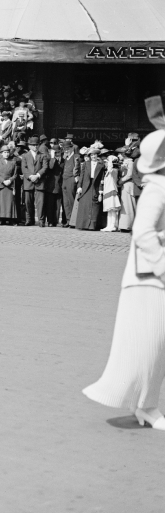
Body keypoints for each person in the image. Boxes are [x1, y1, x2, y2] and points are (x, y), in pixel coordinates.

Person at [83, 125, 165, 430]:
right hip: (149, 277)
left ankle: (146, 404)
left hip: (154, 276)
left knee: (156, 345)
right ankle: (146, 406)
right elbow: (143, 233)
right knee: (152, 344)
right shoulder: (157, 190)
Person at [75, 144, 106, 231]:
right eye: (91, 155)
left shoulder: (101, 165)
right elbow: (81, 176)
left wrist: (100, 191)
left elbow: (102, 179)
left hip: (95, 186)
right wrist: (79, 186)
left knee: (94, 206)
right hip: (86, 186)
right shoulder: (85, 164)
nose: (93, 156)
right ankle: (83, 224)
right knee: (84, 204)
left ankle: (92, 225)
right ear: (89, 156)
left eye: (95, 155)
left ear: (97, 156)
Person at [20, 136, 49, 226]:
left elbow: (45, 167)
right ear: (29, 146)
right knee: (28, 202)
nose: (35, 147)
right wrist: (30, 176)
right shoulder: (25, 156)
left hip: (39, 181)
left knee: (40, 202)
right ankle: (29, 219)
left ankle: (41, 220)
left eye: (36, 145)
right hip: (28, 182)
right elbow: (24, 168)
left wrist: (37, 175)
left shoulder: (43, 155)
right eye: (33, 145)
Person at [0, 144, 19, 225]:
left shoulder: (13, 162)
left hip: (9, 185)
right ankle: (1, 219)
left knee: (9, 202)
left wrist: (10, 180)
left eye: (7, 152)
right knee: (1, 202)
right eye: (4, 152)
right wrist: (3, 181)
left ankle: (10, 219)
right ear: (1, 153)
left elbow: (15, 174)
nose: (6, 154)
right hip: (1, 185)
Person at [62, 138, 81, 226]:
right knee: (66, 202)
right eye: (65, 149)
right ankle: (68, 220)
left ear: (71, 148)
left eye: (67, 148)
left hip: (71, 179)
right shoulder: (65, 157)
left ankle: (74, 220)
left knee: (71, 200)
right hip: (64, 180)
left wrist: (75, 179)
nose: (66, 150)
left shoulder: (75, 157)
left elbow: (77, 169)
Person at [119, 149, 138, 232]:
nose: (118, 156)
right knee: (125, 204)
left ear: (123, 155)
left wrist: (121, 180)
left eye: (119, 154)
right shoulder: (124, 162)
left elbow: (130, 174)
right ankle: (124, 224)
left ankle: (127, 225)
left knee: (128, 204)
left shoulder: (130, 163)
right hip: (124, 184)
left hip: (128, 184)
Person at [102, 154, 121, 232]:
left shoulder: (114, 171)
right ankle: (108, 225)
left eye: (107, 162)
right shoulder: (108, 172)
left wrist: (110, 160)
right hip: (107, 192)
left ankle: (113, 225)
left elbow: (110, 169)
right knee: (109, 210)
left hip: (112, 191)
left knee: (112, 210)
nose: (106, 164)